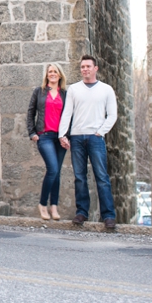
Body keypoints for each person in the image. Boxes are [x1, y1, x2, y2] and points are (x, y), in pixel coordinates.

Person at [58, 55, 117, 229]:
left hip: (95, 138)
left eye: (88, 66)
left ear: (95, 68)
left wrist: (100, 132)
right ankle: (82, 212)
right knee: (79, 177)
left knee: (102, 177)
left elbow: (112, 115)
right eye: (82, 67)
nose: (85, 69)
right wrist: (63, 134)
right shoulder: (74, 89)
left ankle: (108, 216)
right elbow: (67, 113)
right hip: (76, 137)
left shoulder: (106, 90)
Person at [27, 63, 71, 220]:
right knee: (52, 169)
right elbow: (31, 111)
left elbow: (70, 116)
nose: (52, 74)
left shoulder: (65, 94)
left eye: (55, 71)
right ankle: (43, 204)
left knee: (57, 173)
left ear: (60, 75)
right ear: (46, 75)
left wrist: (68, 136)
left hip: (60, 137)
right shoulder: (39, 92)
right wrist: (32, 132)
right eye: (50, 71)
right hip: (44, 136)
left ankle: (54, 207)